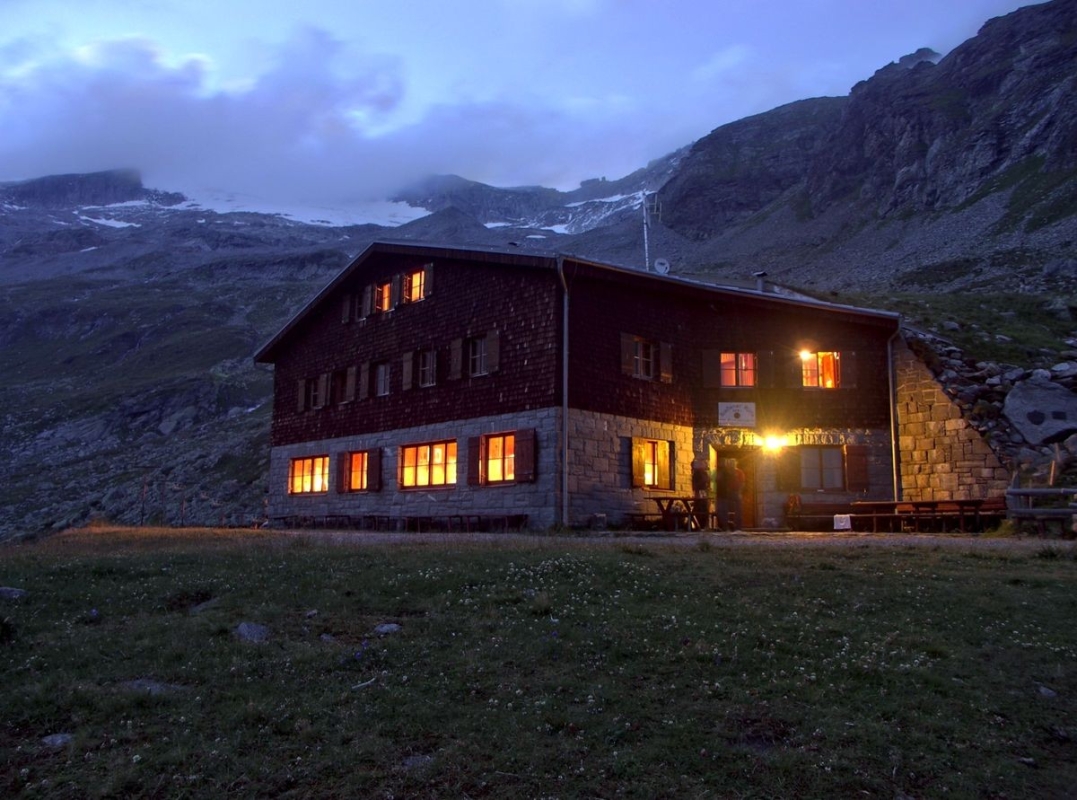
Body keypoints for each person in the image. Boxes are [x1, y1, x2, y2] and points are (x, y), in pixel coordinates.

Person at [716, 458, 746, 531]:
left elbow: (742, 482)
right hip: (727, 492)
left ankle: (738, 526)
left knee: (738, 509)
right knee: (725, 509)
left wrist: (739, 491)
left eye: (733, 463)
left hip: (736, 492)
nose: (732, 465)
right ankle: (726, 525)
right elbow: (720, 480)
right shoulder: (726, 472)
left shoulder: (739, 472)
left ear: (736, 463)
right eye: (730, 463)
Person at [691, 454, 711, 530]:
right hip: (700, 492)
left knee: (703, 508)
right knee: (699, 507)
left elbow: (707, 482)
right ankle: (699, 524)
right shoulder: (697, 474)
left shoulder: (704, 473)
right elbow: (696, 484)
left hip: (703, 492)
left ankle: (702, 524)